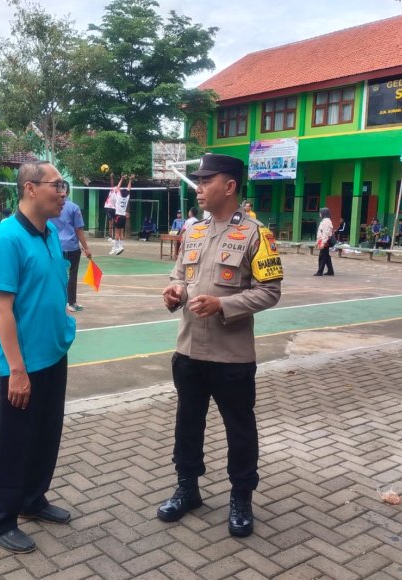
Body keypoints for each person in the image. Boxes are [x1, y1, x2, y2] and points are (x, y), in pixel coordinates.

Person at [159, 153, 282, 538]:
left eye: (206, 180)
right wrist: (174, 291)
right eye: (198, 180)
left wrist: (223, 305)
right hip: (189, 351)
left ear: (229, 186)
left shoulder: (256, 235)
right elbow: (178, 275)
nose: (198, 187)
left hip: (232, 358)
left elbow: (270, 292)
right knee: (187, 424)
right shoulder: (193, 231)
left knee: (239, 429)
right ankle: (187, 489)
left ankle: (241, 497)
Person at [0, 160, 75, 554]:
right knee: (13, 443)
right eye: (58, 185)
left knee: (45, 434)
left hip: (52, 354)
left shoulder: (50, 232)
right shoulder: (7, 238)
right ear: (30, 188)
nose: (63, 193)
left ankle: (32, 500)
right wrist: (17, 370)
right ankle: (0, 519)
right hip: (19, 365)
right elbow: (2, 309)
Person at [51, 191, 92, 313]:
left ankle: (56, 302)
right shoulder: (74, 207)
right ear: (68, 192)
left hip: (56, 247)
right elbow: (79, 229)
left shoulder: (50, 207)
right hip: (72, 247)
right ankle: (71, 303)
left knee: (56, 274)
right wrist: (86, 247)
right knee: (72, 275)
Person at [111, 176, 132, 255]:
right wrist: (130, 180)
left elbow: (118, 187)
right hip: (123, 217)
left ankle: (116, 248)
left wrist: (122, 179)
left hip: (118, 216)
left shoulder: (119, 196)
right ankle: (121, 246)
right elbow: (128, 188)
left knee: (117, 233)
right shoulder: (127, 197)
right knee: (121, 233)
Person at [315, 207, 335, 276]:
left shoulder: (326, 222)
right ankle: (330, 271)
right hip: (323, 240)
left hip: (325, 241)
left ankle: (320, 272)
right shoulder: (324, 221)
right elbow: (320, 232)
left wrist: (323, 243)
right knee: (326, 257)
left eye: (320, 212)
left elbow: (325, 233)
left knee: (322, 256)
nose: (319, 214)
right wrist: (318, 241)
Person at [104, 175, 122, 241]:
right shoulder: (112, 191)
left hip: (114, 209)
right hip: (108, 207)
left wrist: (122, 179)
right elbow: (112, 185)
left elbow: (119, 185)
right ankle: (110, 236)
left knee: (115, 222)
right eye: (115, 188)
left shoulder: (118, 194)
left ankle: (114, 236)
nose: (116, 188)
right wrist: (111, 177)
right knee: (110, 222)